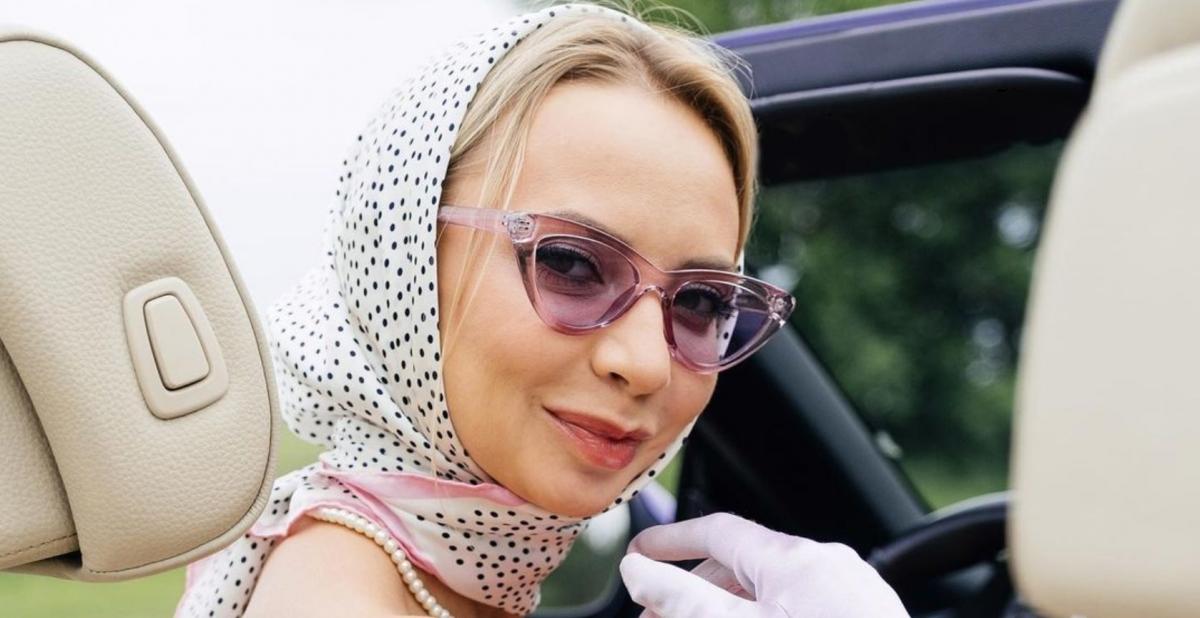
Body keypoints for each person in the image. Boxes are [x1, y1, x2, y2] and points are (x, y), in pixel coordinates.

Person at [173, 2, 907, 617]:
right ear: (403, 255)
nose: (646, 364)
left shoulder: (450, 580)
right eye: (570, 263)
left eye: (701, 301)